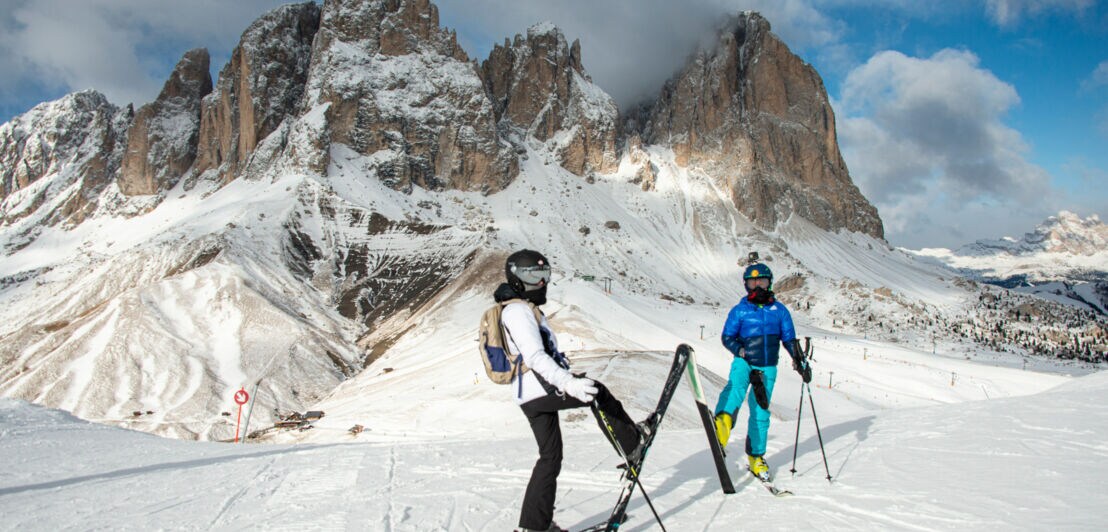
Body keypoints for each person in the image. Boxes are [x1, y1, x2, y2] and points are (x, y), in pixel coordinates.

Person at [497, 249, 652, 532]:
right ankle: (632, 445)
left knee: (550, 456)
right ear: (517, 278)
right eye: (533, 277)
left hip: (528, 393)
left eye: (544, 275)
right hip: (539, 386)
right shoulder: (518, 311)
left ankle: (534, 526)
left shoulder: (522, 308)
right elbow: (534, 357)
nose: (541, 283)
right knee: (596, 392)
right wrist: (569, 383)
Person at [713, 263, 811, 482]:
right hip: (744, 361)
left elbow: (789, 339)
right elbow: (727, 336)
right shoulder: (740, 310)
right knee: (735, 388)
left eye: (762, 282)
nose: (757, 286)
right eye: (752, 282)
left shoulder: (779, 311)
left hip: (766, 366)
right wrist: (739, 349)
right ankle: (722, 424)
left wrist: (800, 361)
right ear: (747, 285)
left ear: (770, 283)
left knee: (760, 411)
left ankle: (756, 457)